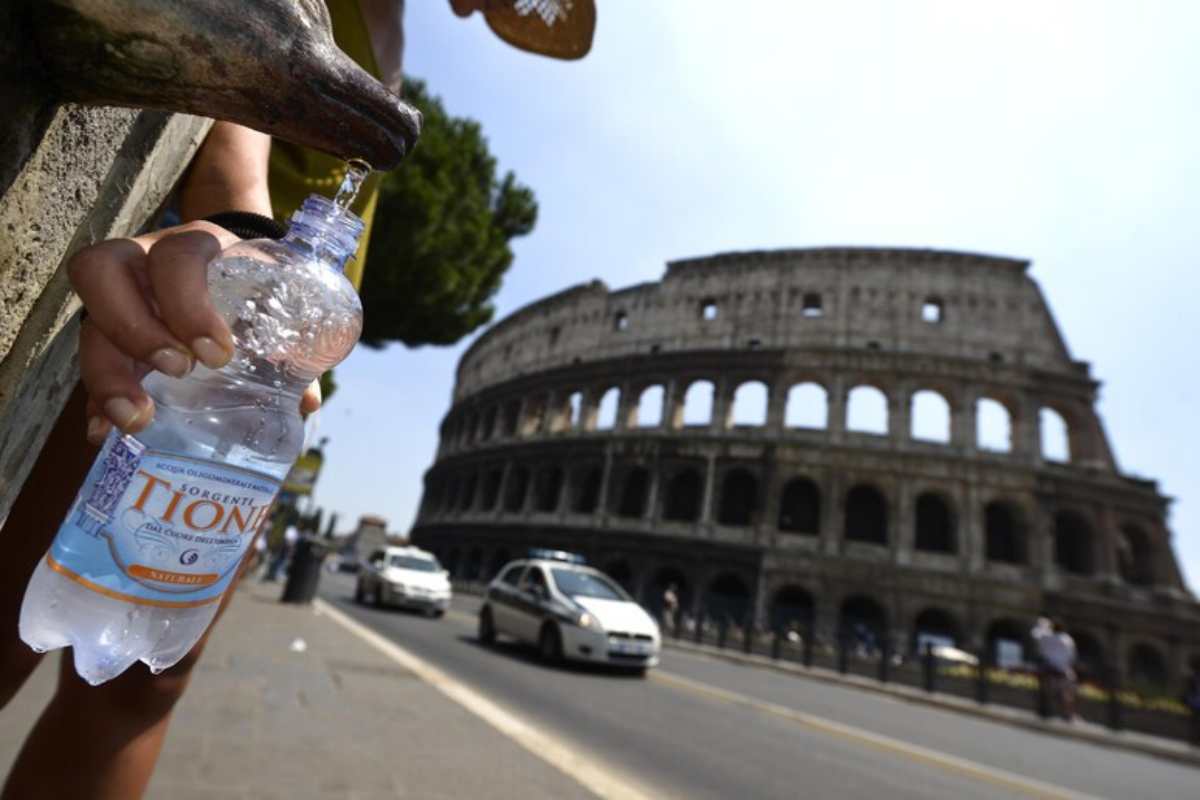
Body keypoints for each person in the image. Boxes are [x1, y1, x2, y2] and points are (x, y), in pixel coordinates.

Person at [0, 3, 595, 798]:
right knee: (17, 631)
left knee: (144, 686)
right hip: (190, 317)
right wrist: (231, 233)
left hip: (280, 384)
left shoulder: (399, 31)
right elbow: (227, 126)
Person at [1032, 617, 1078, 722]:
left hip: (1048, 668)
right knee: (1066, 693)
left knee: (1045, 690)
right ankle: (1068, 715)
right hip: (1062, 670)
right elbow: (1071, 657)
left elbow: (1038, 642)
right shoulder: (1067, 640)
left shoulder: (1047, 637)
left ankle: (1044, 711)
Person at [1183, 663, 1200, 746]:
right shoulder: (1194, 678)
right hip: (1195, 703)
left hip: (1195, 703)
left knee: (1194, 722)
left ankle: (1194, 740)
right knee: (1194, 722)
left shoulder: (1194, 677)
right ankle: (1194, 740)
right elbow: (1190, 690)